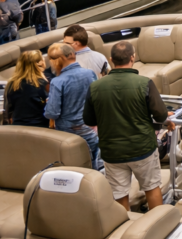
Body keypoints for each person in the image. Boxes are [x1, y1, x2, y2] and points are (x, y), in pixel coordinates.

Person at [83, 41, 173, 211]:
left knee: (119, 194)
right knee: (152, 187)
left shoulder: (95, 87)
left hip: (112, 152)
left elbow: (89, 120)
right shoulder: (144, 83)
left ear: (111, 59)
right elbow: (160, 115)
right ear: (133, 57)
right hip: (142, 149)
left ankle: (125, 230)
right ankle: (158, 225)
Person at [44, 42, 101, 168]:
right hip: (91, 130)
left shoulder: (57, 81)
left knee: (74, 168)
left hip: (68, 133)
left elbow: (52, 113)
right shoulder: (90, 74)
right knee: (93, 165)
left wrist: (48, 104)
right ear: (73, 54)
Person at [3, 50, 48, 127]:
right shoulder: (42, 83)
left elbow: (8, 109)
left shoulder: (11, 83)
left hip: (18, 127)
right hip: (40, 127)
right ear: (39, 64)